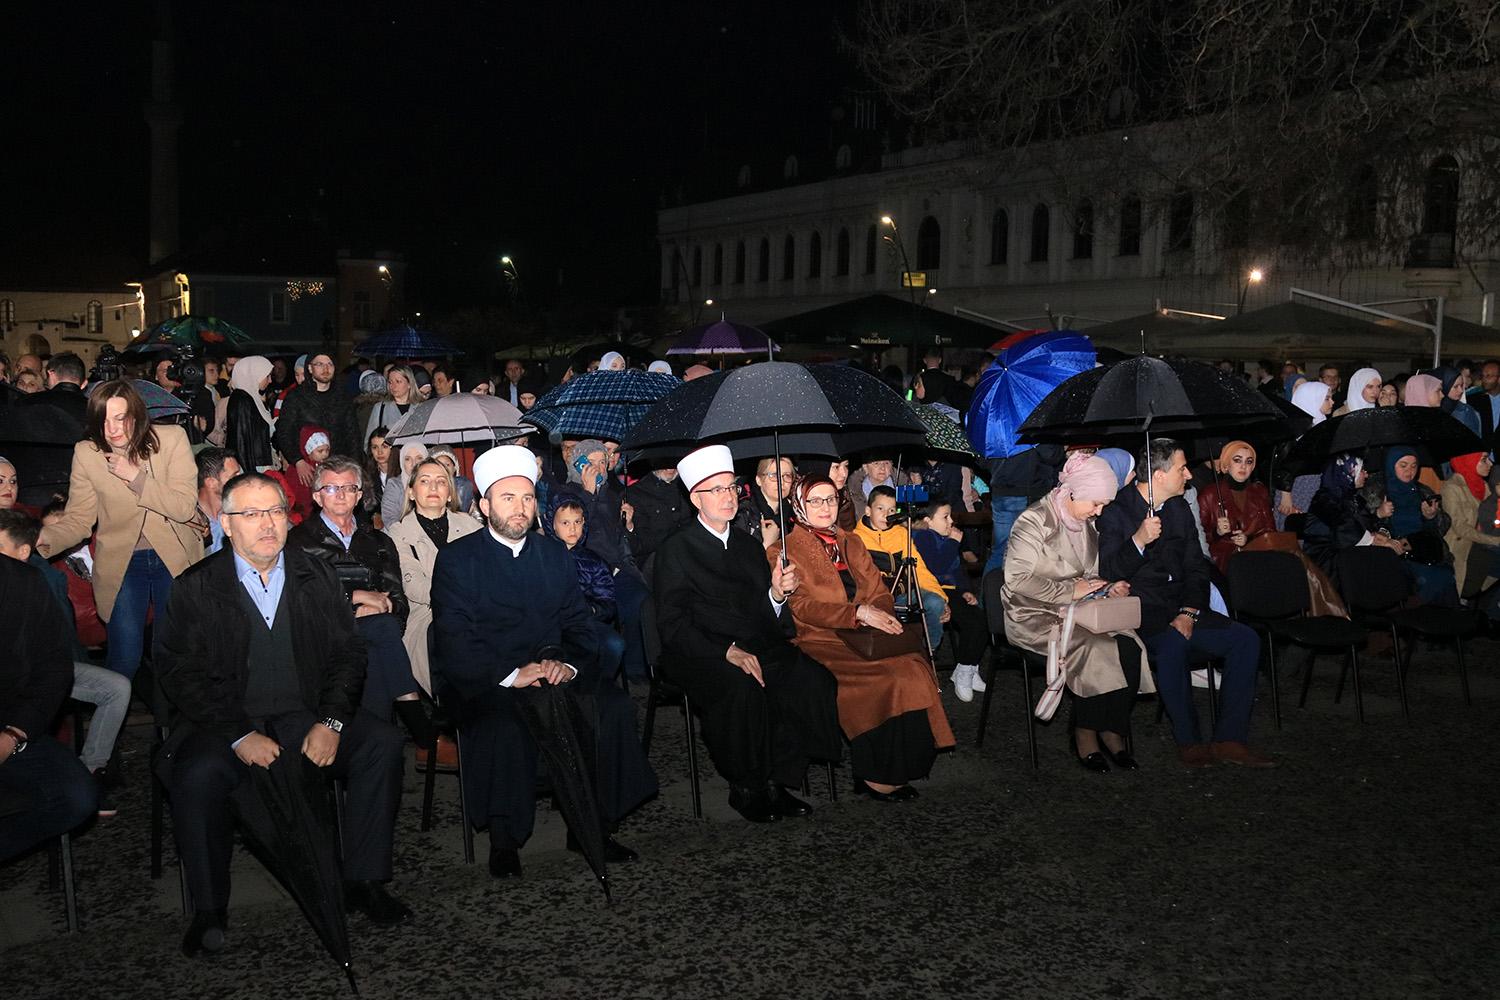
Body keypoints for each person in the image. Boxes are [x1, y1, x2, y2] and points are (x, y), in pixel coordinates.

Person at [156, 472, 411, 955]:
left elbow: (347, 655)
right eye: (251, 514)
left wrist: (332, 721)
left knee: (381, 743)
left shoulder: (315, 576)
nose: (267, 524)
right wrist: (237, 735)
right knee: (196, 775)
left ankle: (364, 880)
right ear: (227, 525)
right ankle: (210, 908)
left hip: (304, 714)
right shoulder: (196, 588)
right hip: (226, 722)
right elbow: (180, 673)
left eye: (275, 512)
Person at [431, 445, 656, 877]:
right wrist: (513, 675)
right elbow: (454, 640)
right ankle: (504, 838)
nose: (520, 508)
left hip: (551, 669)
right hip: (488, 678)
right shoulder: (458, 561)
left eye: (528, 498)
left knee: (608, 707)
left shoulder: (553, 555)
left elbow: (578, 625)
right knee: (504, 725)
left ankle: (592, 824)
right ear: (483, 506)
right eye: (508, 498)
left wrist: (565, 664)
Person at [653, 445, 842, 822]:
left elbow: (761, 613)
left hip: (755, 640)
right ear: (695, 499)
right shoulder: (675, 549)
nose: (728, 497)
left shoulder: (746, 545)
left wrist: (775, 594)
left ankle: (780, 778)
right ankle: (747, 786)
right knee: (742, 687)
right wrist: (726, 651)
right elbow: (672, 625)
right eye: (717, 490)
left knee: (808, 678)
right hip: (702, 651)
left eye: (731, 488)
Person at [775, 475, 954, 799]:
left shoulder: (851, 541)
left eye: (831, 499)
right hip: (822, 639)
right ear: (798, 506)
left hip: (865, 635)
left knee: (912, 668)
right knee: (884, 679)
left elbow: (879, 590)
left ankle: (899, 769)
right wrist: (855, 613)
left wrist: (878, 612)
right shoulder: (785, 549)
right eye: (815, 500)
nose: (825, 507)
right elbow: (802, 607)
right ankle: (874, 775)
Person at [1097, 438, 1272, 768]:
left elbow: (1196, 566)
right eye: (1181, 468)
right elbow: (1108, 571)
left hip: (1184, 608)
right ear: (1160, 475)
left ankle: (1230, 739)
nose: (1189, 475)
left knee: (1246, 639)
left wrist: (1190, 611)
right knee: (1174, 644)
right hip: (1142, 614)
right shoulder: (1116, 511)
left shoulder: (1178, 508)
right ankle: (1189, 741)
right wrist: (1138, 540)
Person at [36, 380, 204, 681]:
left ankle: (171, 725)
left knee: (175, 657)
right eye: (102, 420)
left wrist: (135, 477)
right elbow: (78, 520)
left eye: (120, 418)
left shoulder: (170, 439)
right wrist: (36, 541)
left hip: (174, 557)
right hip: (123, 561)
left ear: (137, 416)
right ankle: (112, 718)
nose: (111, 429)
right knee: (125, 659)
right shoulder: (88, 453)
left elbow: (182, 507)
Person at [1002, 453, 1150, 770]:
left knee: (1129, 646)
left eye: (1103, 505)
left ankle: (1112, 729)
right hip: (1033, 614)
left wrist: (1105, 587)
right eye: (1095, 503)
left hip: (1077, 610)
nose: (1098, 512)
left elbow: (1086, 575)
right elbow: (1017, 580)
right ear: (1072, 492)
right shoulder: (1034, 522)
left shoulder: (1085, 522)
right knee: (1096, 649)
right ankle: (1085, 734)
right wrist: (1071, 590)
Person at [288, 456, 434, 748]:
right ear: (317, 496)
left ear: (358, 495)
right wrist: (352, 601)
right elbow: (297, 601)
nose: (340, 494)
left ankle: (377, 748)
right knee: (378, 630)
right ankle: (414, 716)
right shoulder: (299, 542)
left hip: (376, 644)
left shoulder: (378, 541)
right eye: (331, 488)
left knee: (377, 642)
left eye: (348, 487)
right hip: (322, 638)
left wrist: (383, 609)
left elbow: (399, 601)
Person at [0, 510, 130, 815]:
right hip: (23, 687)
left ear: (22, 552)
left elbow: (59, 649)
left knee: (116, 687)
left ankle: (90, 769)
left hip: (47, 673)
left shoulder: (38, 578)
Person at [0, 552, 96, 863]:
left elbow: (54, 669)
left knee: (76, 798)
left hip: (10, 729)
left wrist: (13, 734)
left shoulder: (22, 581)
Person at [385, 457, 481, 698]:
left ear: (450, 494)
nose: (433, 487)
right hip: (428, 615)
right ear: (411, 492)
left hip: (479, 608)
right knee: (446, 633)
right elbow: (414, 584)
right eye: (425, 481)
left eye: (441, 482)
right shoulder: (399, 533)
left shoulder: (471, 527)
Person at [853, 485, 949, 653]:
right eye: (880, 508)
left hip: (901, 595)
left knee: (935, 603)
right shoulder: (856, 538)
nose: (886, 515)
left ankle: (927, 652)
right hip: (873, 598)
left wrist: (941, 597)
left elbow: (920, 569)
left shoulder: (901, 534)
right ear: (868, 510)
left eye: (892, 510)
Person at [911, 498, 989, 702]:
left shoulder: (945, 539)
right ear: (928, 520)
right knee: (973, 621)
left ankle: (969, 668)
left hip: (953, 591)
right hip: (934, 591)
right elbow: (936, 566)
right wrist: (954, 542)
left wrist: (965, 590)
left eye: (950, 516)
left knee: (981, 618)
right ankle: (963, 671)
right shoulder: (923, 537)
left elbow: (957, 569)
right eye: (945, 517)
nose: (951, 521)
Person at [542, 495, 626, 679]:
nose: (572, 528)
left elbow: (606, 600)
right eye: (565, 523)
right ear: (552, 524)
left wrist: (591, 610)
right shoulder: (541, 556)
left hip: (584, 622)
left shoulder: (595, 562)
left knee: (614, 644)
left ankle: (599, 687)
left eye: (577, 522)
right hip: (548, 622)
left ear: (584, 523)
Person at [1383, 446, 1459, 606]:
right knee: (1433, 579)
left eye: (1413, 466)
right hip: (1395, 553)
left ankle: (1446, 623)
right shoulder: (1378, 491)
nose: (1409, 471)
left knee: (1443, 576)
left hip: (1424, 550)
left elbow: (1441, 528)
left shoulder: (1422, 491)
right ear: (1391, 465)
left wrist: (1430, 517)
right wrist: (1379, 514)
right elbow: (1366, 528)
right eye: (1403, 465)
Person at [10, 352, 88, 506]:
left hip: (32, 492)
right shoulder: (95, 409)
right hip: (79, 494)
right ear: (84, 383)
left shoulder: (25, 403)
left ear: (50, 374)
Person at [1196, 441, 1276, 573]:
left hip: (1258, 557)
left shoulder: (1260, 492)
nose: (1243, 466)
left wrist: (1248, 539)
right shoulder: (1209, 494)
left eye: (1249, 462)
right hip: (1224, 564)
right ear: (1226, 464)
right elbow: (1198, 537)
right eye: (1237, 460)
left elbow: (1270, 531)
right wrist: (1218, 532)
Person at [274, 353, 360, 473]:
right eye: (320, 364)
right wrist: (298, 461)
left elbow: (353, 435)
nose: (326, 369)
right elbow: (284, 432)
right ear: (310, 368)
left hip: (338, 467)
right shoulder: (296, 397)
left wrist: (354, 466)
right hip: (307, 469)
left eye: (330, 364)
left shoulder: (343, 397)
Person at [1441, 452, 1500, 601]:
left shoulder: (1483, 485)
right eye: (1484, 460)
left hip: (1482, 544)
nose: (1490, 464)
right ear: (1469, 461)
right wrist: (1494, 540)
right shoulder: (1452, 488)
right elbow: (1460, 528)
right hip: (1465, 548)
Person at [622, 462, 692, 564]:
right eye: (664, 460)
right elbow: (638, 545)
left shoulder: (689, 489)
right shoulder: (636, 493)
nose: (670, 467)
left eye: (674, 461)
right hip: (654, 563)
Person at [224, 355, 276, 472]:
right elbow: (241, 439)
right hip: (251, 466)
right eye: (267, 376)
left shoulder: (253, 398)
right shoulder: (241, 399)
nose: (270, 380)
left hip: (257, 464)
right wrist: (250, 474)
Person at [734, 455, 796, 545]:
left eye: (787, 476)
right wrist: (767, 544)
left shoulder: (793, 517)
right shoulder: (743, 514)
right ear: (759, 480)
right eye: (774, 475)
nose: (781, 482)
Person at [194, 448, 243, 556]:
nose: (241, 481)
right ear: (211, 482)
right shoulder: (191, 521)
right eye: (234, 476)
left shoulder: (242, 511)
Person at [365, 365, 420, 440]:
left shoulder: (420, 407)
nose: (393, 386)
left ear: (409, 384)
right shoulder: (380, 408)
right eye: (390, 382)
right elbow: (369, 440)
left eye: (398, 381)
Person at [383, 442, 429, 528]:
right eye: (408, 459)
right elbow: (389, 519)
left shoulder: (433, 485)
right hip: (399, 535)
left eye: (419, 458)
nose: (413, 464)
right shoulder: (394, 485)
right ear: (402, 462)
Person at [360, 426, 393, 527]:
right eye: (375, 447)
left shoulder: (402, 473)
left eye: (384, 446)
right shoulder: (366, 476)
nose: (380, 452)